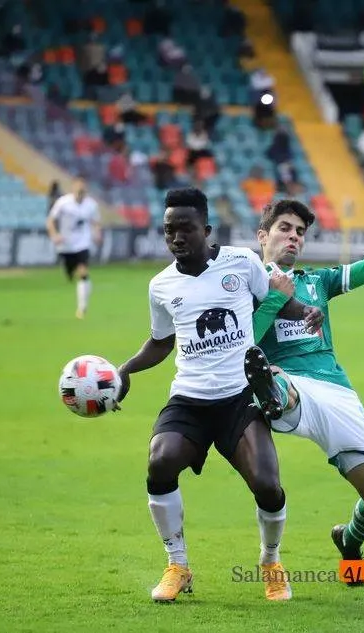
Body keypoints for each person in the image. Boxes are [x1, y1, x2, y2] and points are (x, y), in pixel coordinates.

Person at [114, 187, 323, 603]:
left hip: (239, 398)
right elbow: (161, 341)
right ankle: (178, 565)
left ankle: (270, 561)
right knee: (160, 461)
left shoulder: (241, 262)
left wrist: (306, 311)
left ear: (206, 230)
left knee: (268, 485)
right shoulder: (161, 286)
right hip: (189, 400)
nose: (176, 237)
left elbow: (276, 300)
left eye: (186, 228)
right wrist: (125, 369)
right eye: (169, 230)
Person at [241, 169, 364, 586]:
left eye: (299, 232)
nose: (293, 237)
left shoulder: (318, 283)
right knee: (269, 376)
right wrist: (276, 294)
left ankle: (348, 543)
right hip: (289, 386)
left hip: (335, 392)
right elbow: (243, 342)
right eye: (284, 229)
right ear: (263, 236)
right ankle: (270, 392)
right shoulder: (245, 288)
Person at [46, 178, 102, 319]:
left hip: (83, 243)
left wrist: (97, 233)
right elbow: (51, 220)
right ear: (73, 189)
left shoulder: (91, 205)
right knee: (70, 273)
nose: (80, 193)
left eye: (82, 190)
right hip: (66, 245)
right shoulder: (63, 203)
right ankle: (71, 274)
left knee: (83, 272)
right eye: (78, 190)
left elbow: (96, 222)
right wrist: (55, 235)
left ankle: (82, 308)